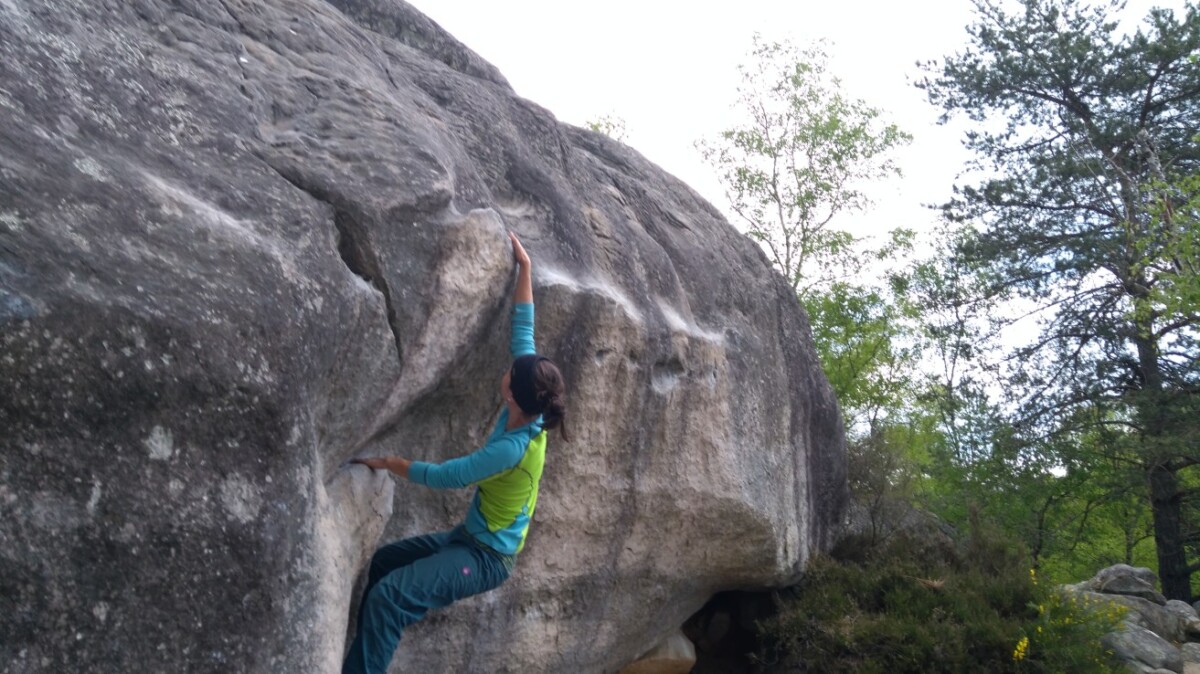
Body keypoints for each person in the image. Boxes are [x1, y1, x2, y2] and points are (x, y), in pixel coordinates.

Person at [342, 231, 568, 674]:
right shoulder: (531, 407)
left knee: (390, 598)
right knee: (384, 564)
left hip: (484, 559)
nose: (509, 368)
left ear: (513, 395)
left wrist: (388, 463)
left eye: (511, 372)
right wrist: (525, 268)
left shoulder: (512, 449)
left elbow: (449, 475)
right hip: (467, 538)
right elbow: (523, 330)